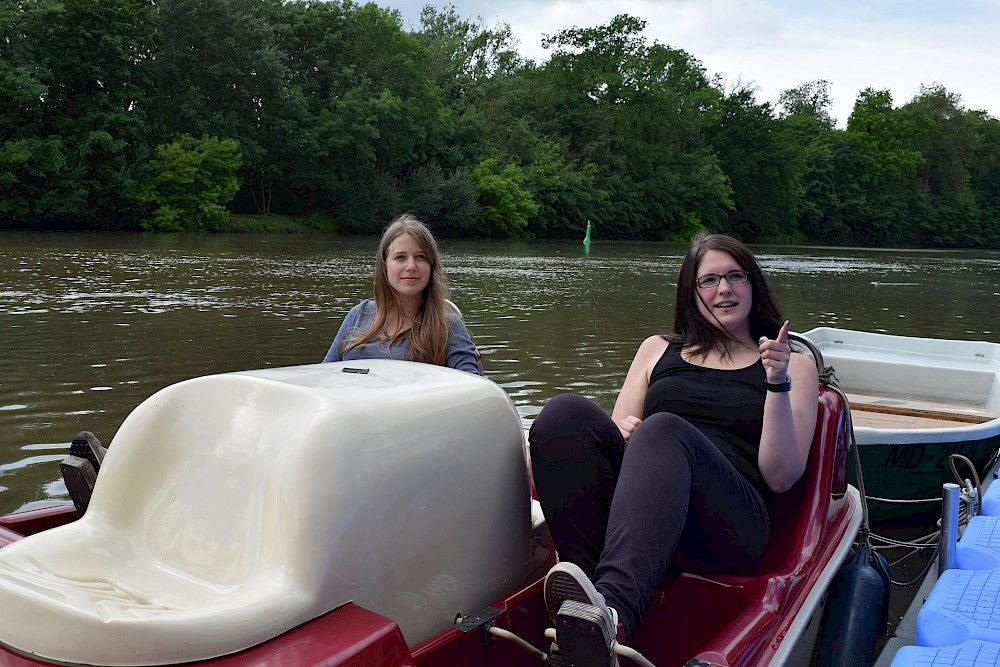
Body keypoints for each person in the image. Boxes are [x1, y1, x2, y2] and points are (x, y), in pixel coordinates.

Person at [530, 233, 818, 665]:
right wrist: (627, 431)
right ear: (691, 292)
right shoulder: (656, 350)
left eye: (736, 276)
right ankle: (585, 611)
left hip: (731, 523)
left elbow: (781, 476)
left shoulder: (790, 364)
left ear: (753, 286)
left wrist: (776, 385)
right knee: (562, 416)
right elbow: (616, 434)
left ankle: (613, 615)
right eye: (710, 280)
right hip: (651, 506)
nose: (724, 289)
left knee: (664, 429)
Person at [322, 214, 482, 375]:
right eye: (400, 257)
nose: (411, 266)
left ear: (431, 266)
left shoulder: (449, 326)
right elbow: (324, 375)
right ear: (384, 266)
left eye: (420, 257)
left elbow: (474, 387)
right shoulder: (358, 315)